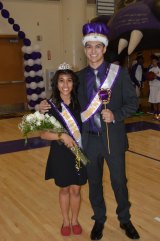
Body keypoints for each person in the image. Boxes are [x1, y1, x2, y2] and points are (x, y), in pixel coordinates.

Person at [39, 22, 140, 240]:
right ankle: (99, 220)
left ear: (104, 49)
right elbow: (63, 97)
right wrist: (43, 106)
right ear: (84, 49)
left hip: (113, 138)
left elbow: (133, 103)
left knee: (119, 182)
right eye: (89, 47)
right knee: (94, 183)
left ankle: (125, 219)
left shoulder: (119, 74)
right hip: (89, 140)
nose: (93, 51)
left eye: (97, 46)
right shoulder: (78, 77)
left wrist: (116, 115)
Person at [40, 63, 87, 236]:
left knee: (76, 189)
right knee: (64, 189)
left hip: (78, 152)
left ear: (74, 83)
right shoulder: (49, 106)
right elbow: (43, 134)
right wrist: (62, 136)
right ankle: (65, 221)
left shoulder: (81, 104)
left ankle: (75, 220)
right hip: (60, 153)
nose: (65, 85)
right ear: (56, 83)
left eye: (69, 81)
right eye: (61, 81)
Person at [147, 55, 160, 120]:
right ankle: (155, 115)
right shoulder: (150, 69)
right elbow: (147, 78)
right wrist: (150, 77)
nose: (153, 62)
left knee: (158, 101)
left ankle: (159, 114)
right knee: (154, 101)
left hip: (158, 87)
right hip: (152, 87)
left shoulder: (159, 68)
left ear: (157, 61)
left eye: (155, 61)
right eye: (152, 61)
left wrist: (156, 77)